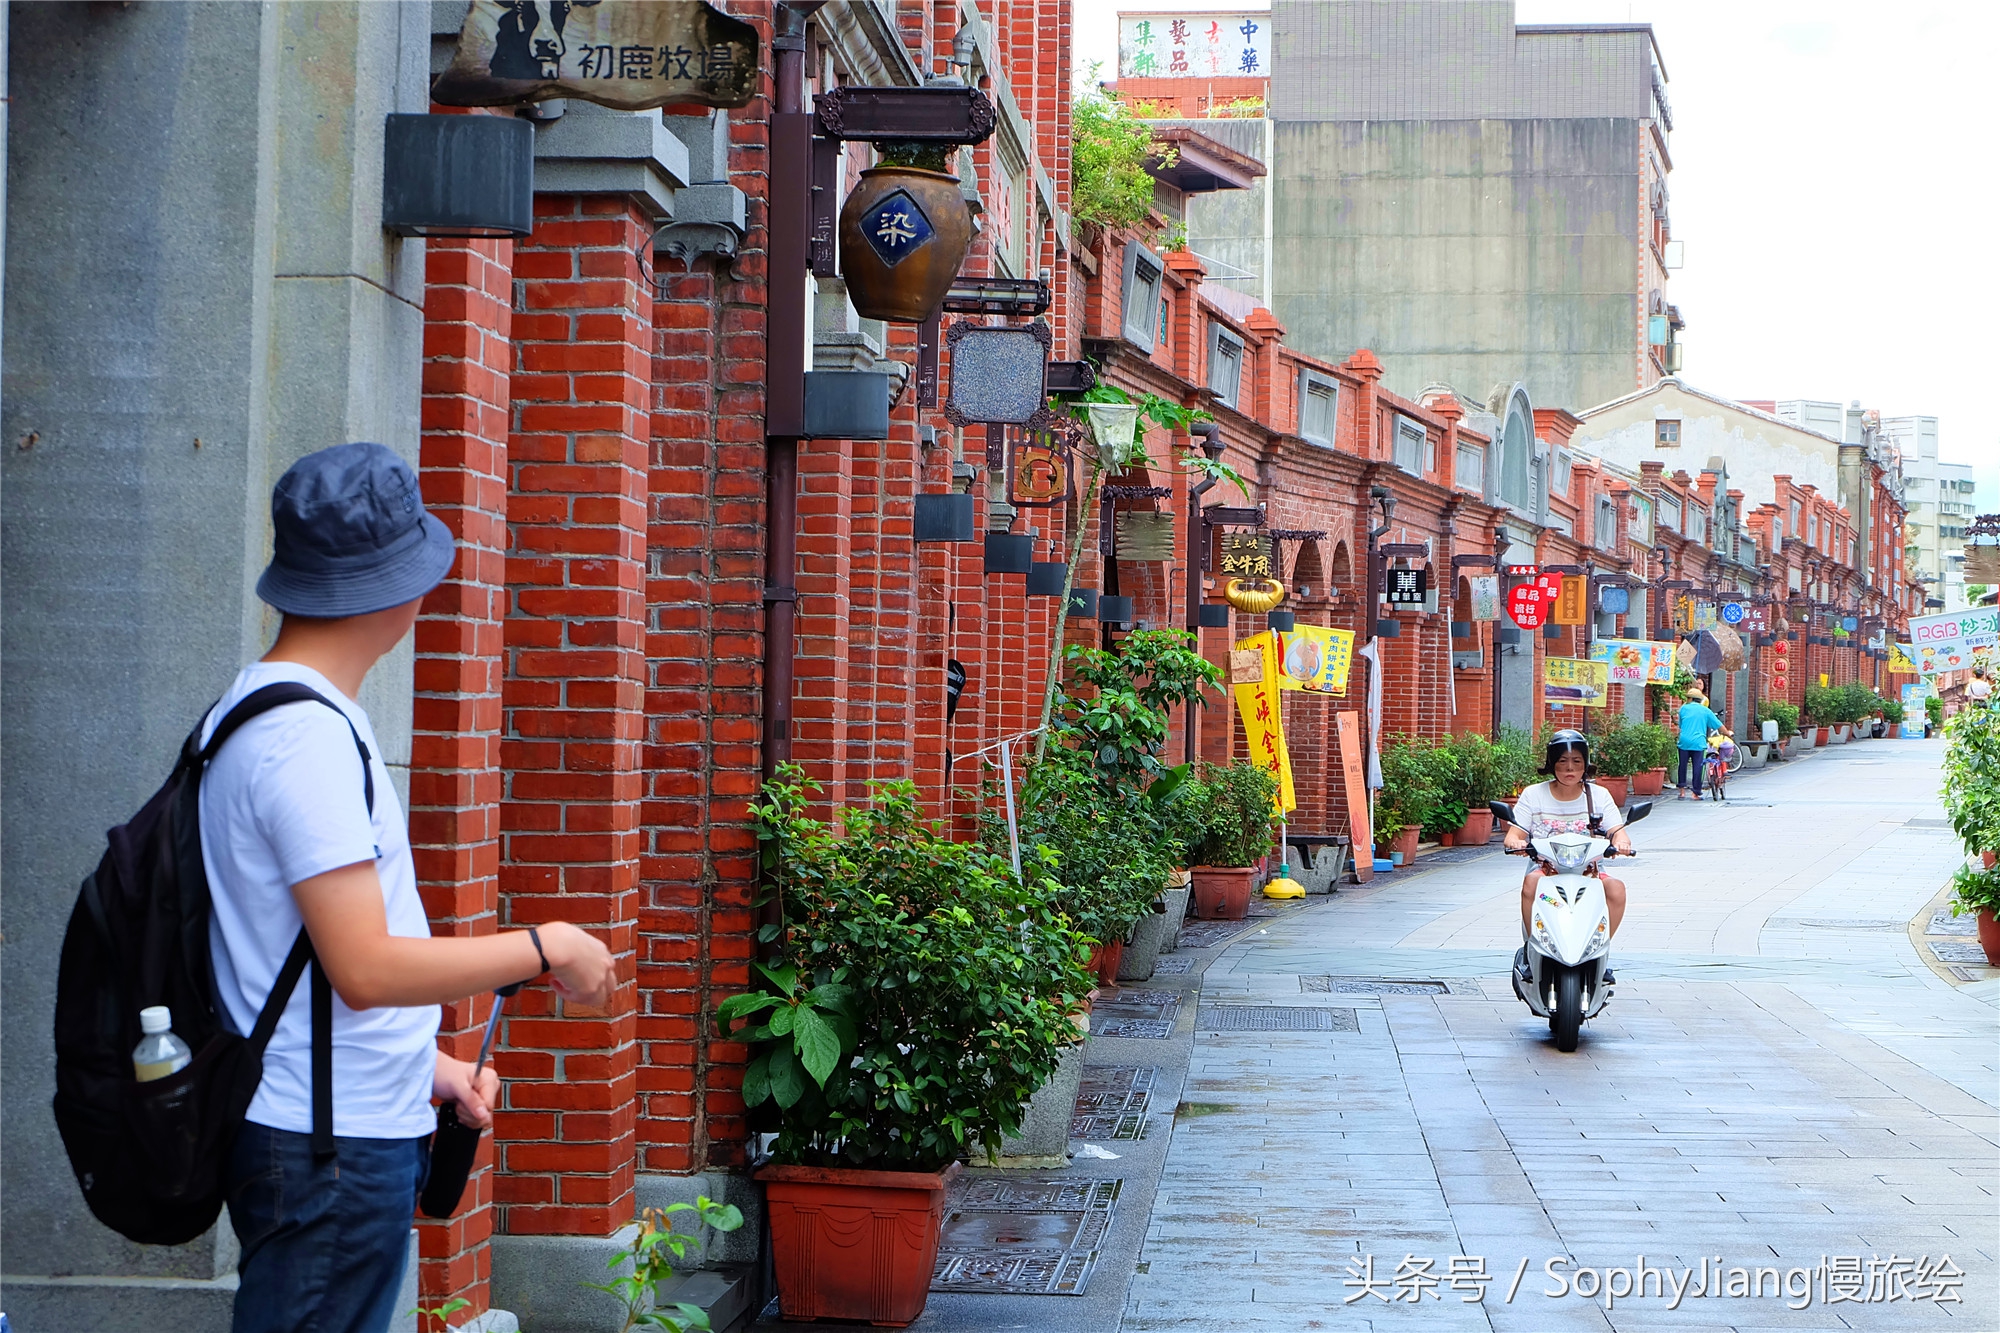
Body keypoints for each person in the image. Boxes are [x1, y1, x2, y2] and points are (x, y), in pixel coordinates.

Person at [203, 442, 618, 1333]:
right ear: (394, 588)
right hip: (329, 1146)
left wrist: (426, 1067)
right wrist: (546, 946)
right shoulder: (306, 740)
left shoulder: (263, 709)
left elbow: (290, 958)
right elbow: (364, 967)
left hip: (328, 1127)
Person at [1506, 730, 1633, 980]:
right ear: (1551, 763)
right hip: (1546, 872)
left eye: (1576, 761)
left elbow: (1618, 832)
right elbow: (1514, 834)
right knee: (1531, 883)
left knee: (1616, 890)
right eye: (1562, 761)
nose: (1569, 768)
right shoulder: (1533, 794)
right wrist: (1516, 843)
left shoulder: (1598, 796)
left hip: (1590, 873)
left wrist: (1621, 843)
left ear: (1585, 763)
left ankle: (1598, 954)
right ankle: (1532, 951)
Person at [1675, 689, 1725, 799]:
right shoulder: (1705, 710)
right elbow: (1718, 725)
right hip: (1698, 743)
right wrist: (1727, 733)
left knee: (1682, 765)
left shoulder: (1683, 709)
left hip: (1684, 741)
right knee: (1698, 767)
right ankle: (1695, 793)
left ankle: (1682, 792)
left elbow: (1681, 725)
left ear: (1690, 699)